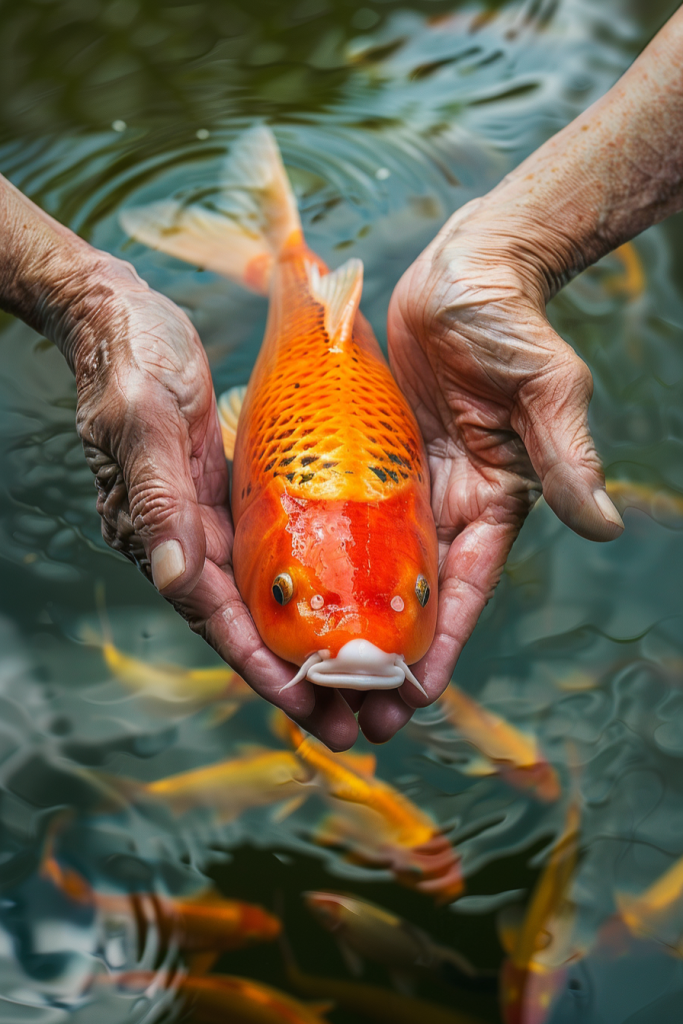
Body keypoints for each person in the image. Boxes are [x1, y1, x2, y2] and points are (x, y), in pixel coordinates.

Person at [1, 7, 682, 752]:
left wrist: (80, 294)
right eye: (286, 594)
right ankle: (277, 248)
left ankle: (274, 249)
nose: (358, 641)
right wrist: (80, 300)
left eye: (420, 594)